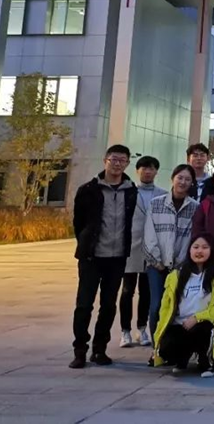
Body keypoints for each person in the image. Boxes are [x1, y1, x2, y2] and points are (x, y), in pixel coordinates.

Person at [70, 144, 138, 369]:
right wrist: (86, 244)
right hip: (92, 257)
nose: (117, 164)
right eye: (113, 159)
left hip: (117, 258)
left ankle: (99, 349)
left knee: (108, 305)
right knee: (84, 305)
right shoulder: (88, 190)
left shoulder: (131, 191)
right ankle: (80, 350)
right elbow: (79, 223)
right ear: (105, 160)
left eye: (122, 160)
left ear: (127, 164)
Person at [153, 234, 214, 377]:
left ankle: (206, 362)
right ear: (189, 250)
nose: (199, 251)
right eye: (195, 247)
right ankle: (182, 359)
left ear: (211, 250)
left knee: (201, 331)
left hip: (205, 323)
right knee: (166, 348)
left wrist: (197, 318)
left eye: (204, 247)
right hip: (180, 324)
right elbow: (165, 308)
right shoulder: (176, 275)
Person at [143, 164, 198, 351]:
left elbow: (191, 238)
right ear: (172, 178)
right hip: (156, 265)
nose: (183, 182)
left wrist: (181, 263)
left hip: (181, 267)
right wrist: (157, 261)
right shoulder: (156, 203)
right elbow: (149, 234)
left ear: (192, 183)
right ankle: (157, 348)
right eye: (180, 177)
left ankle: (173, 348)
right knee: (157, 306)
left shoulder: (195, 207)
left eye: (187, 179)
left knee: (177, 307)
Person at [119, 155, 166, 349]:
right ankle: (125, 331)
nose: (148, 171)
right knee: (127, 290)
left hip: (153, 250)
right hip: (131, 247)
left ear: (156, 172)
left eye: (151, 168)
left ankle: (142, 328)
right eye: (144, 168)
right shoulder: (128, 193)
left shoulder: (163, 195)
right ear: (137, 170)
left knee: (147, 291)